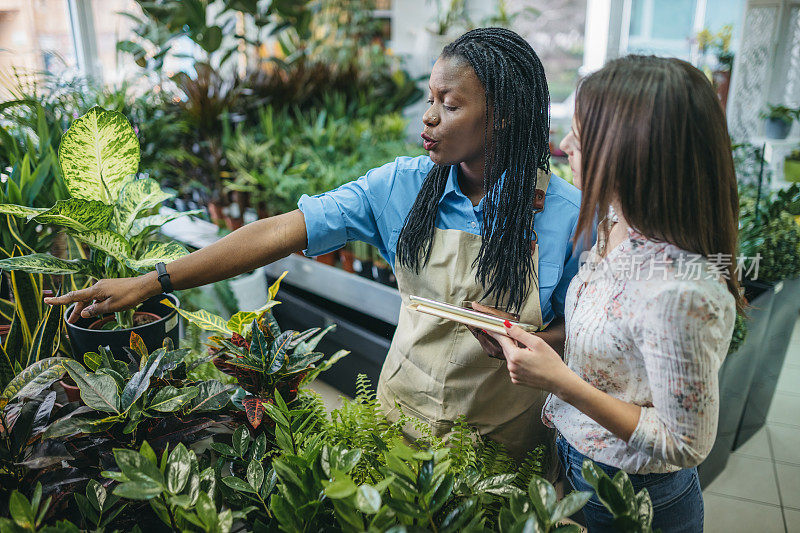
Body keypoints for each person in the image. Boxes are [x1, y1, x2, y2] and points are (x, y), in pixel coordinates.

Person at [46, 28, 582, 463]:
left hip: (505, 451)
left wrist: (534, 342)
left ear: (504, 116)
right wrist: (155, 279)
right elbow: (278, 231)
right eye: (429, 99)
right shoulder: (400, 187)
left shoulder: (566, 216)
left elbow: (589, 333)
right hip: (398, 426)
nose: (429, 117)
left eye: (450, 103)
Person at [484, 55, 742, 532]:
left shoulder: (682, 295)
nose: (562, 147)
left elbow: (685, 443)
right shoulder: (618, 223)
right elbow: (618, 345)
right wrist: (539, 340)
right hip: (578, 463)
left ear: (632, 155)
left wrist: (558, 379)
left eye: (579, 140)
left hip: (630, 494)